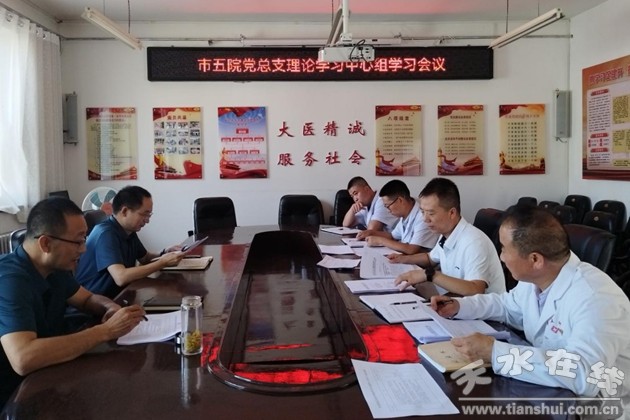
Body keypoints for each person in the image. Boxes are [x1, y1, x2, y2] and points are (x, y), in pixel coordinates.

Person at [433, 205, 630, 410]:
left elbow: (583, 373)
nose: (501, 257)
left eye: (504, 249)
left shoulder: (596, 298)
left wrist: (495, 353)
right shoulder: (537, 278)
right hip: (548, 393)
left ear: (535, 259)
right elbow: (507, 306)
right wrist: (459, 306)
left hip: (597, 408)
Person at [0, 197, 146, 409]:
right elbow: (23, 358)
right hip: (14, 394)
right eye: (78, 242)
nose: (84, 249)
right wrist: (106, 331)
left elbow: (86, 298)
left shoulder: (55, 267)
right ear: (46, 243)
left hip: (47, 374)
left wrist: (111, 308)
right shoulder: (10, 279)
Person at [393, 177, 505, 295]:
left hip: (476, 306)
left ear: (452, 213)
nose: (425, 219)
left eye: (431, 213)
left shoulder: (474, 242)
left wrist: (430, 275)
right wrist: (402, 259)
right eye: (422, 212)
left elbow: (475, 289)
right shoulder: (446, 233)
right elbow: (430, 258)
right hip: (451, 298)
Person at [75, 185, 184, 299]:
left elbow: (145, 258)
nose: (147, 220)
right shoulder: (106, 234)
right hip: (95, 303)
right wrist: (162, 262)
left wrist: (165, 252)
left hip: (120, 296)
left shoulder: (129, 230)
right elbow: (121, 277)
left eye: (149, 215)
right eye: (144, 214)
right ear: (125, 211)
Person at [361, 179, 438, 255]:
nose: (388, 210)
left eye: (388, 206)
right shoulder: (405, 215)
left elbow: (411, 249)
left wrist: (381, 241)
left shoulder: (422, 217)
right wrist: (371, 232)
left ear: (400, 200)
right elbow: (392, 236)